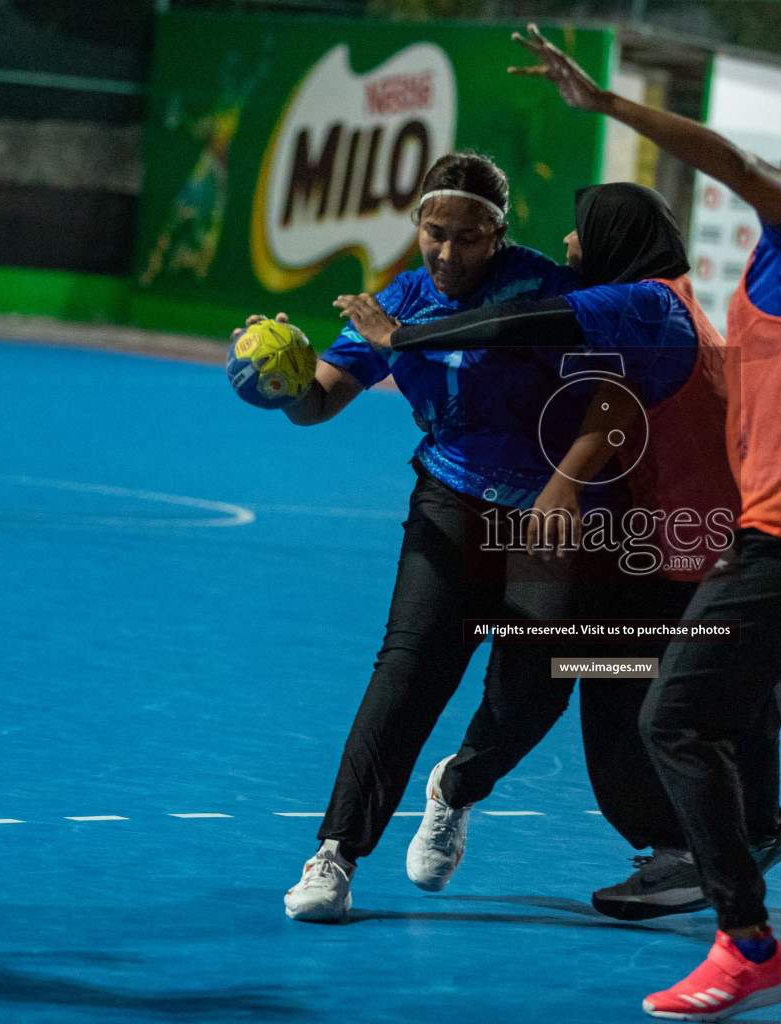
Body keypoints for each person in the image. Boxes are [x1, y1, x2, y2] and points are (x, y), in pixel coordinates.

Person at [509, 25, 781, 1019]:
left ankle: (746, 942)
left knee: (674, 715)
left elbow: (729, 160)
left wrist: (611, 106)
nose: (779, 162)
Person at [337, 182, 781, 921]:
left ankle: (720, 849)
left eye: (582, 232)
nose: (570, 245)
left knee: (640, 704)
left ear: (616, 239)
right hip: (678, 546)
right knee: (642, 688)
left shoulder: (643, 303)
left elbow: (526, 320)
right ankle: (742, 831)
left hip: (682, 555)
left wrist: (403, 339)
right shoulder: (666, 302)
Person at [251, 151, 614, 925]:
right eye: (434, 232)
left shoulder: (547, 291)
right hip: (448, 501)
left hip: (545, 516)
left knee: (532, 697)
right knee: (407, 673)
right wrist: (281, 377)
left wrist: (566, 487)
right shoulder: (401, 298)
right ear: (417, 225)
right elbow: (319, 402)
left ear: (500, 234)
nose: (448, 252)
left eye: (469, 237)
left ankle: (455, 788)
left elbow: (606, 402)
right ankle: (335, 856)